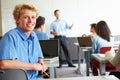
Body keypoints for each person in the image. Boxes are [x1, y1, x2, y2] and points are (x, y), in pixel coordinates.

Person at [0, 3, 47, 80]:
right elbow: (4, 63)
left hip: (34, 78)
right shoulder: (10, 36)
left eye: (33, 17)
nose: (31, 21)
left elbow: (39, 57)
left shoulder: (33, 36)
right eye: (26, 17)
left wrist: (41, 63)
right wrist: (33, 66)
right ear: (17, 20)